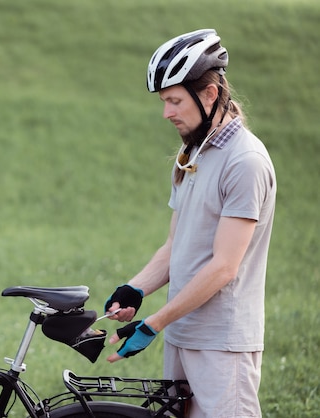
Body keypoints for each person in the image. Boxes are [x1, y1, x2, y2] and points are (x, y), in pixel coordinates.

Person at [102, 29, 277, 417]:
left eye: (175, 101)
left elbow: (224, 267)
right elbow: (174, 245)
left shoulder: (244, 161)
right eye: (165, 101)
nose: (167, 112)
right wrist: (134, 290)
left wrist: (153, 323)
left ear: (210, 94)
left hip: (221, 343)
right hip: (183, 333)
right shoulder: (192, 153)